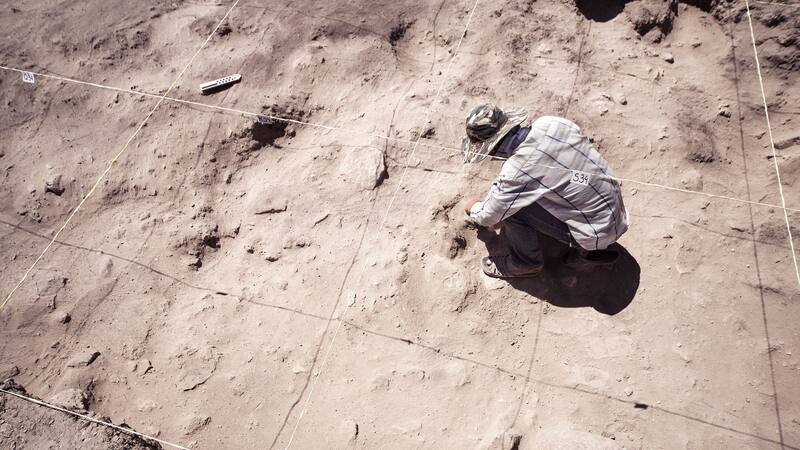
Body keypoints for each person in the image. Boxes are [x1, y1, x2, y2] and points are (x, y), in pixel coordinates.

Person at [461, 103, 629, 279]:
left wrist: (474, 208)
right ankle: (587, 253)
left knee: (510, 211)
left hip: (595, 233)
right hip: (617, 213)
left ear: (493, 147)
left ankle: (525, 264)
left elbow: (489, 216)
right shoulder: (550, 123)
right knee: (557, 188)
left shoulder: (517, 170)